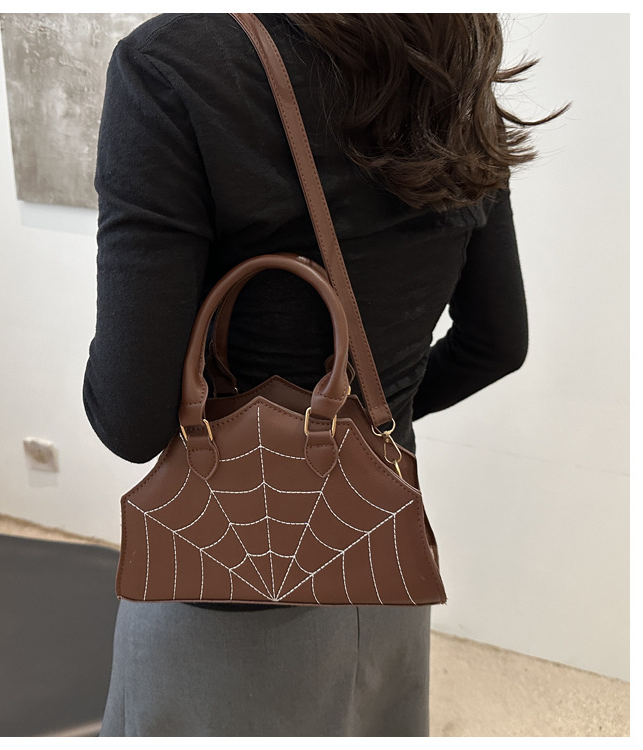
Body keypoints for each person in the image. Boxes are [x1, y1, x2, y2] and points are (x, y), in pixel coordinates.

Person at [83, 13, 565, 737]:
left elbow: (130, 419)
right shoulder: (448, 62)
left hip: (227, 599)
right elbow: (497, 343)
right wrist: (364, 425)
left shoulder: (173, 64)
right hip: (383, 556)